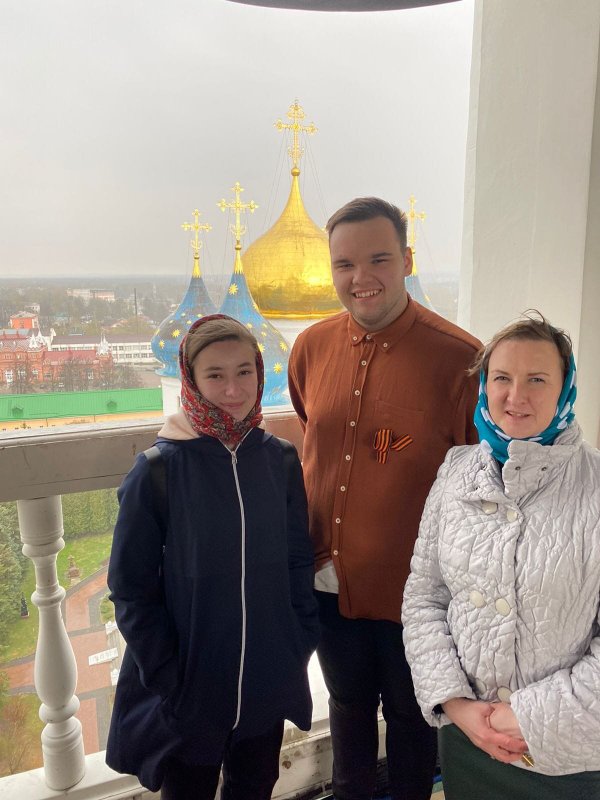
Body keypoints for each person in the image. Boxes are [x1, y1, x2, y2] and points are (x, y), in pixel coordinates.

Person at [288, 197, 481, 800]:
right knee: (346, 707)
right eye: (344, 264)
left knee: (411, 719)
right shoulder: (311, 347)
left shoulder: (461, 361)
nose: (360, 278)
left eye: (378, 259)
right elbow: (312, 431)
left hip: (417, 596)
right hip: (328, 582)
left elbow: (479, 481)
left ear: (406, 260)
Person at [106, 314, 319, 800]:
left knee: (254, 789)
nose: (233, 389)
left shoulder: (280, 459)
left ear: (260, 373)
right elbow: (131, 589)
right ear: (192, 381)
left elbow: (296, 559)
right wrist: (169, 677)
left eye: (244, 371)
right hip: (192, 692)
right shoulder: (159, 471)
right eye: (215, 375)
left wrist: (297, 641)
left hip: (264, 685)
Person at [402, 311, 600, 800]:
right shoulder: (456, 472)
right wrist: (456, 705)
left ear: (565, 387)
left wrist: (523, 716)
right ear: (484, 386)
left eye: (537, 379)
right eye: (502, 378)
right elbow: (424, 597)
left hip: (569, 754)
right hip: (468, 741)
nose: (516, 396)